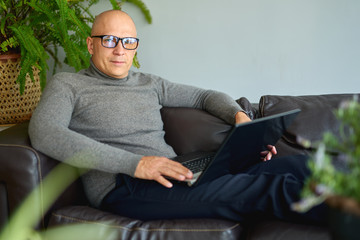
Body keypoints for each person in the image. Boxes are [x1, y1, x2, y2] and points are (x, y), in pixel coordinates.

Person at [29, 10, 324, 223]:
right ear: (90, 44)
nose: (120, 50)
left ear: (135, 48)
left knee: (302, 165)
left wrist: (241, 118)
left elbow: (205, 96)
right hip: (125, 186)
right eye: (109, 40)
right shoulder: (68, 85)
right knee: (269, 189)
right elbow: (44, 131)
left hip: (175, 172)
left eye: (128, 41)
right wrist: (136, 164)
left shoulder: (149, 83)